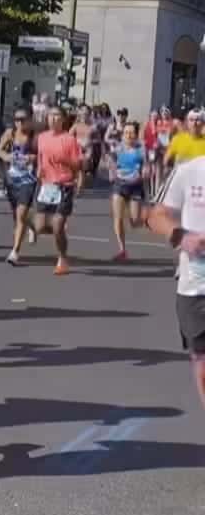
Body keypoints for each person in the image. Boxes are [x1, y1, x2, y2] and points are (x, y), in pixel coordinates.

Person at [148, 156, 205, 410]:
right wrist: (183, 237)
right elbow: (156, 216)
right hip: (196, 285)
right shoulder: (188, 171)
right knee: (203, 367)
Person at [35, 106, 82, 275]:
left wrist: (66, 161)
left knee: (57, 225)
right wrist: (39, 170)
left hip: (64, 185)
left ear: (63, 119)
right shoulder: (41, 138)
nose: (53, 119)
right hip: (46, 186)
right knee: (39, 227)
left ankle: (62, 259)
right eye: (51, 116)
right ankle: (59, 230)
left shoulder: (69, 139)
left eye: (57, 116)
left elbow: (78, 165)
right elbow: (41, 158)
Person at [0, 108, 38, 265]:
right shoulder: (10, 134)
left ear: (29, 119)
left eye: (23, 119)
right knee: (17, 216)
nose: (19, 122)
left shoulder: (35, 136)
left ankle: (15, 252)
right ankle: (32, 226)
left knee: (21, 215)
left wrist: (32, 158)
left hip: (28, 179)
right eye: (16, 119)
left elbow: (41, 154)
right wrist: (7, 156)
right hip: (12, 179)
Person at [108, 121, 146, 260]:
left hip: (136, 187)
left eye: (131, 133)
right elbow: (111, 161)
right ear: (122, 134)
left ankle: (145, 218)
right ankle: (122, 250)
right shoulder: (118, 148)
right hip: (120, 185)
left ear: (136, 135)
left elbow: (148, 165)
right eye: (126, 132)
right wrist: (113, 172)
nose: (128, 135)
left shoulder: (141, 149)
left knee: (134, 221)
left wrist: (145, 172)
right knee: (118, 218)